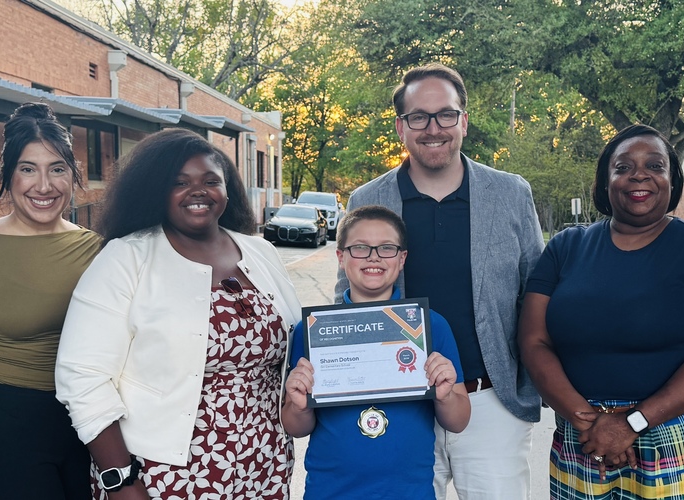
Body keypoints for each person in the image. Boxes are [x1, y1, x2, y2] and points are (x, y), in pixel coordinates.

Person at [54, 128, 302, 499]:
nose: (198, 191)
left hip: (263, 463)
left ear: (227, 189)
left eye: (210, 181)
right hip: (164, 474)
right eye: (179, 182)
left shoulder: (261, 252)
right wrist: (120, 479)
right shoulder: (125, 258)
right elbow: (82, 377)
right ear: (156, 191)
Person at [337, 63, 545, 498]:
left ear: (463, 121)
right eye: (419, 117)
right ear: (401, 127)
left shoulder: (511, 194)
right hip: (401, 404)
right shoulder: (368, 199)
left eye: (446, 115)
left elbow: (537, 295)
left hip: (491, 403)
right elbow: (347, 299)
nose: (434, 128)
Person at [518, 124, 684, 499]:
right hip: (583, 437)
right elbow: (534, 341)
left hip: (676, 435)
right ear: (605, 181)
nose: (639, 175)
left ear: (672, 180)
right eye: (623, 167)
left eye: (655, 166)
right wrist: (589, 423)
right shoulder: (566, 247)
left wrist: (632, 423)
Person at [0, 102, 100, 499]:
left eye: (57, 169)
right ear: (8, 175)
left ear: (72, 174)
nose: (44, 186)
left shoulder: (99, 250)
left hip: (92, 422)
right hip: (5, 425)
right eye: (28, 169)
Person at [284, 205, 471, 499]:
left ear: (402, 258)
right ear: (341, 257)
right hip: (330, 491)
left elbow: (458, 421)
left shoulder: (430, 327)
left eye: (386, 248)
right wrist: (299, 405)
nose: (374, 257)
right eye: (360, 248)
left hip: (409, 493)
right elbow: (296, 427)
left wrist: (445, 395)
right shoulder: (312, 331)